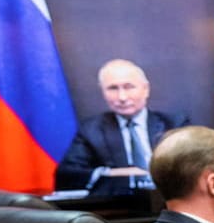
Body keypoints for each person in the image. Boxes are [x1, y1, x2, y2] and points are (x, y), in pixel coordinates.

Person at [55, 60, 192, 196]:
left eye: (129, 87)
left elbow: (194, 167)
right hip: (117, 207)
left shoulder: (174, 123)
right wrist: (111, 173)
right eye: (113, 88)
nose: (122, 97)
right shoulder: (92, 130)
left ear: (145, 89)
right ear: (103, 92)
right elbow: (67, 174)